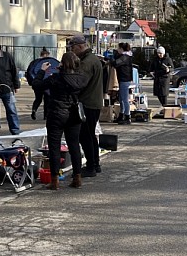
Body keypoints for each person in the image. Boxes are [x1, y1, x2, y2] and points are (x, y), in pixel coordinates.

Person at [32, 51, 87, 190]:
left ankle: (54, 180)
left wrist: (42, 71)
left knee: (54, 146)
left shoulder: (55, 78)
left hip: (57, 112)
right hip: (74, 113)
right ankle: (77, 178)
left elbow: (37, 85)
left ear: (63, 63)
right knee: (74, 145)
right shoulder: (82, 78)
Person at [70, 35, 104, 177]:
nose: (72, 51)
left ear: (80, 46)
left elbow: (79, 83)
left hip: (87, 103)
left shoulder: (86, 62)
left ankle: (91, 166)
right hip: (94, 102)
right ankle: (95, 164)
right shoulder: (93, 58)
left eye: (72, 48)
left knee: (85, 136)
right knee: (91, 135)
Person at [110, 42, 133, 125]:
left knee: (125, 99)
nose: (117, 49)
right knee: (121, 99)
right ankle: (121, 115)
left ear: (122, 49)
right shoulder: (125, 56)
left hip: (124, 79)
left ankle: (127, 116)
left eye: (118, 48)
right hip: (122, 79)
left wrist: (112, 58)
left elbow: (116, 63)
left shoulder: (125, 57)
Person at [28, 47, 51, 120]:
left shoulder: (34, 62)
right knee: (47, 99)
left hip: (36, 84)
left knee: (38, 99)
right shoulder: (49, 62)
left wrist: (31, 83)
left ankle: (34, 110)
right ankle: (46, 115)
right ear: (47, 55)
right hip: (46, 83)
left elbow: (29, 72)